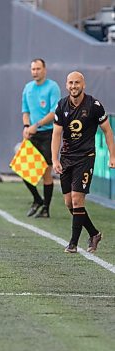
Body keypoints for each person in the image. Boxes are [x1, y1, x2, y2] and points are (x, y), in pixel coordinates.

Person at [52, 71, 115, 253]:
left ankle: (73, 243)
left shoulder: (94, 105)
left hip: (85, 158)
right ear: (66, 85)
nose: (74, 86)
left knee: (77, 199)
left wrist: (112, 156)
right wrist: (55, 159)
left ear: (83, 84)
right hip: (66, 158)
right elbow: (56, 133)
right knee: (69, 203)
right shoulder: (61, 105)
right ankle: (94, 233)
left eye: (77, 83)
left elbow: (108, 131)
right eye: (71, 83)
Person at [21, 58, 61, 218]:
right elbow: (25, 111)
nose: (35, 72)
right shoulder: (28, 88)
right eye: (33, 69)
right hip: (32, 134)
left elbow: (54, 113)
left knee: (46, 173)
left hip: (48, 134)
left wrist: (35, 125)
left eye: (38, 69)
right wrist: (26, 127)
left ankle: (46, 209)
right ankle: (38, 200)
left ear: (44, 70)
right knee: (24, 171)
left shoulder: (52, 87)